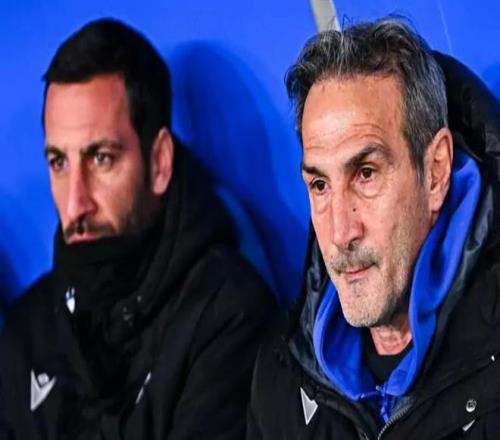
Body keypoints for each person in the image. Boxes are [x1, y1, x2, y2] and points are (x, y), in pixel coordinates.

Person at [0, 18, 274, 440]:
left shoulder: (228, 316)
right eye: (59, 163)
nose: (75, 203)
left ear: (160, 162)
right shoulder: (27, 332)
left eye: (101, 159)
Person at [248, 18, 500, 439]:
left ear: (436, 171)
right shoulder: (282, 377)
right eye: (320, 185)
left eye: (366, 174)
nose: (341, 233)